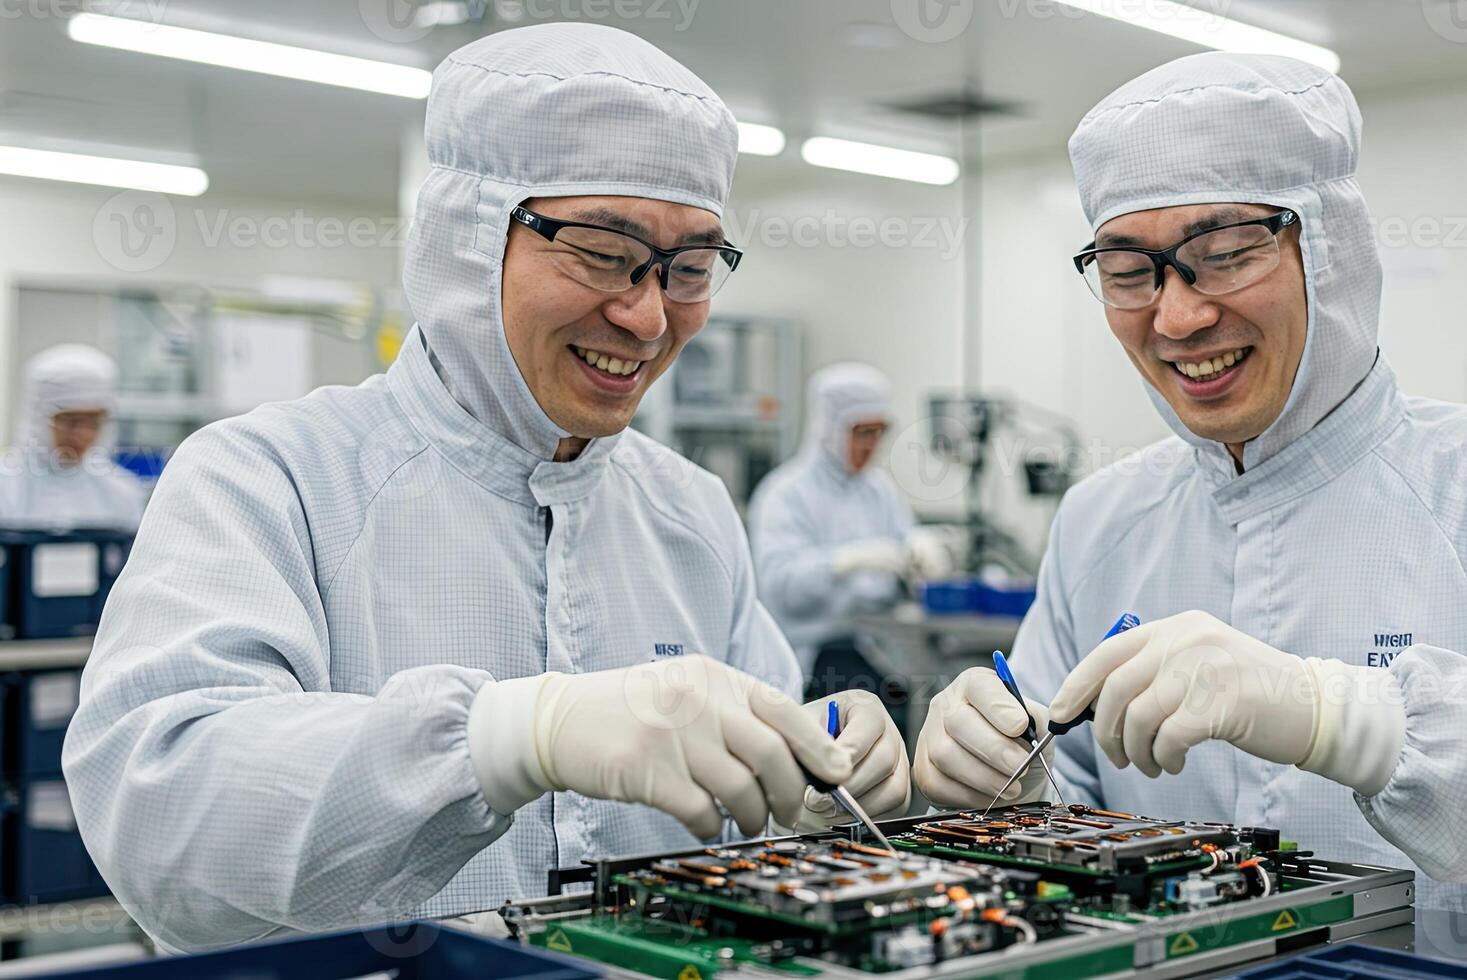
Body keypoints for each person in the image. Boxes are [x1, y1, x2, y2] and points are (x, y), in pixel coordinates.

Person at [64, 24, 908, 953]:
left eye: (692, 267)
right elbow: (159, 825)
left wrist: (821, 785)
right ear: (467, 240)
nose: (648, 313)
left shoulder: (692, 513)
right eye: (600, 250)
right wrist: (501, 738)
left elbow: (752, 821)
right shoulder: (272, 479)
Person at [912, 52, 1467, 943]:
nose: (1176, 318)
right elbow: (1073, 809)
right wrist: (1014, 786)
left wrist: (1358, 723)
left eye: (1223, 255)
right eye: (1131, 272)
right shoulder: (1100, 521)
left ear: (1332, 252)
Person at [748, 363, 951, 707]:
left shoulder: (879, 490)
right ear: (829, 429)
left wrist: (920, 555)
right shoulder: (785, 493)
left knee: (942, 696)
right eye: (861, 432)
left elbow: (903, 550)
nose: (871, 445)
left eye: (878, 433)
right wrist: (842, 562)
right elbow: (779, 587)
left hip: (878, 644)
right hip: (816, 653)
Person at [0, 344, 146, 530]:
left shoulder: (122, 493)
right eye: (71, 421)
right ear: (37, 419)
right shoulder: (6, 488)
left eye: (94, 421)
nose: (83, 435)